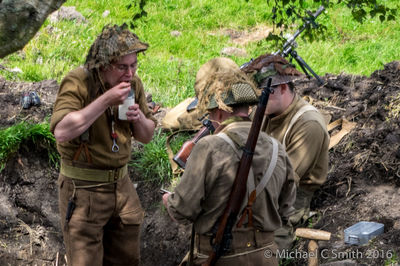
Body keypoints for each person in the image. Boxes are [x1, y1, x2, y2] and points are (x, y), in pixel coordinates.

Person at [162, 57, 296, 265]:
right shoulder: (278, 148)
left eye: (210, 112)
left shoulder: (208, 147)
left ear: (221, 110)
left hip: (222, 258)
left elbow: (182, 211)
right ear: (247, 108)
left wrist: (169, 202)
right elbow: (287, 209)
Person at [50, 24, 156, 265]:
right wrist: (106, 100)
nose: (129, 73)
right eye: (122, 67)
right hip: (84, 189)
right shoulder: (78, 82)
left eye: (133, 65)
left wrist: (137, 117)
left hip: (122, 187)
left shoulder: (133, 84)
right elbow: (62, 131)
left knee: (127, 259)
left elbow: (147, 135)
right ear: (104, 64)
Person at [242, 53, 330, 250]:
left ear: (282, 88)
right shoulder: (266, 111)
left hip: (288, 200)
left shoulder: (308, 124)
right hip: (257, 189)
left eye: (262, 93)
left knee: (264, 248)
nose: (257, 99)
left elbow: (284, 181)